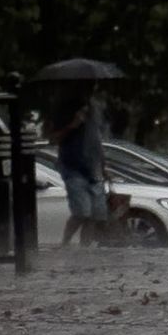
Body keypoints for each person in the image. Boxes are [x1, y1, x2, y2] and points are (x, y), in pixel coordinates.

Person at [56, 92, 109, 244]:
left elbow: (97, 142)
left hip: (93, 169)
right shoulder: (65, 110)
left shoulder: (95, 111)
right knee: (82, 212)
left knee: (95, 215)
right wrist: (73, 124)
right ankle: (65, 243)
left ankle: (85, 249)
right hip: (73, 169)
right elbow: (54, 138)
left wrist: (104, 167)